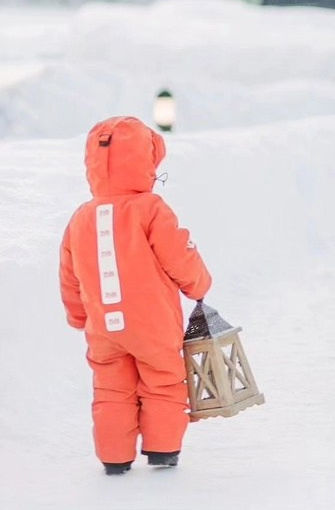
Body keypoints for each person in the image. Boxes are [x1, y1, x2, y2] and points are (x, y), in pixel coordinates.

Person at [59, 116, 212, 475]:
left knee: (112, 389)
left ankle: (114, 457)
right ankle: (163, 449)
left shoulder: (81, 218)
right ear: (145, 163)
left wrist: (78, 315)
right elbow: (179, 255)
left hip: (103, 328)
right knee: (163, 380)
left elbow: (69, 274)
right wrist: (199, 285)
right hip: (152, 324)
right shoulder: (151, 209)